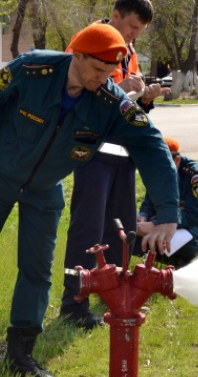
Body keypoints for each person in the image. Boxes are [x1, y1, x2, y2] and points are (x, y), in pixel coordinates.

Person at [0, 23, 180, 377]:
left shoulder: (109, 102)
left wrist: (168, 214)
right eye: (96, 70)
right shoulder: (32, 70)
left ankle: (21, 353)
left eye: (109, 73)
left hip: (45, 186)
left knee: (38, 267)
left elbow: (152, 145)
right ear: (76, 54)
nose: (102, 80)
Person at [60, 0, 169, 330]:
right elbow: (73, 97)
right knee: (87, 229)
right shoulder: (87, 42)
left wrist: (145, 98)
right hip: (94, 152)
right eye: (132, 26)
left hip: (124, 154)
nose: (134, 35)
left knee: (121, 230)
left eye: (140, 31)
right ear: (116, 15)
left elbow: (126, 110)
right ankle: (73, 301)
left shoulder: (129, 50)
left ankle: (109, 292)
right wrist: (119, 89)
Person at [134, 137, 198, 268]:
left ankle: (188, 264)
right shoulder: (158, 173)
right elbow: (149, 203)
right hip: (168, 224)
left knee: (164, 240)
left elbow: (191, 216)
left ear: (177, 160)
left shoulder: (197, 177)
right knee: (130, 238)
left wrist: (155, 225)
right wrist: (142, 216)